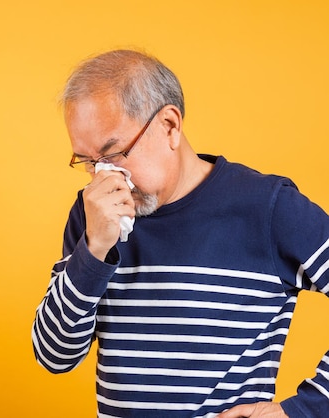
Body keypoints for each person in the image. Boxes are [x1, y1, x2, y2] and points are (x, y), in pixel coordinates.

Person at [31, 49, 329, 417]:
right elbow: (54, 355)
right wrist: (93, 250)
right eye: (89, 162)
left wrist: (302, 410)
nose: (103, 178)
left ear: (169, 125)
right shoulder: (93, 215)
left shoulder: (268, 208)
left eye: (115, 153)